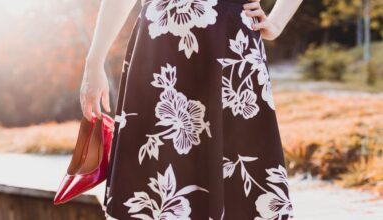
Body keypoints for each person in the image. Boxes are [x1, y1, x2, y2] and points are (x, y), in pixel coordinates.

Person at [80, 0, 303, 219]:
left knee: (238, 186)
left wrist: (277, 22)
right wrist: (94, 61)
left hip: (229, 42)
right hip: (160, 44)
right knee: (158, 189)